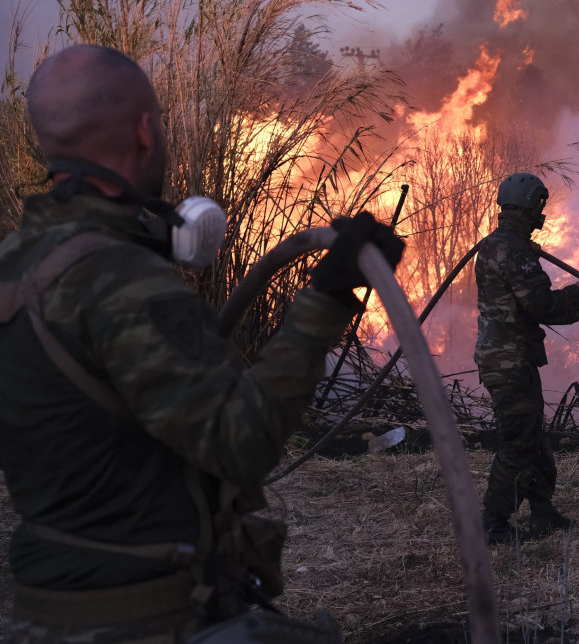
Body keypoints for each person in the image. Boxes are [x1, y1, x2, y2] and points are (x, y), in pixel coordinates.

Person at [0, 44, 403, 642]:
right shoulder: (120, 281)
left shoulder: (16, 263)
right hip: (142, 619)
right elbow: (241, 442)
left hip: (48, 612)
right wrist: (328, 296)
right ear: (144, 130)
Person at [474, 173, 579, 544]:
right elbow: (542, 305)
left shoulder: (496, 245)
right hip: (510, 361)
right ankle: (493, 524)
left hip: (502, 357)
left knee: (532, 435)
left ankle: (543, 511)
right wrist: (578, 291)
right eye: (540, 207)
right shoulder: (515, 251)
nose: (542, 215)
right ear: (532, 206)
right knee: (518, 440)